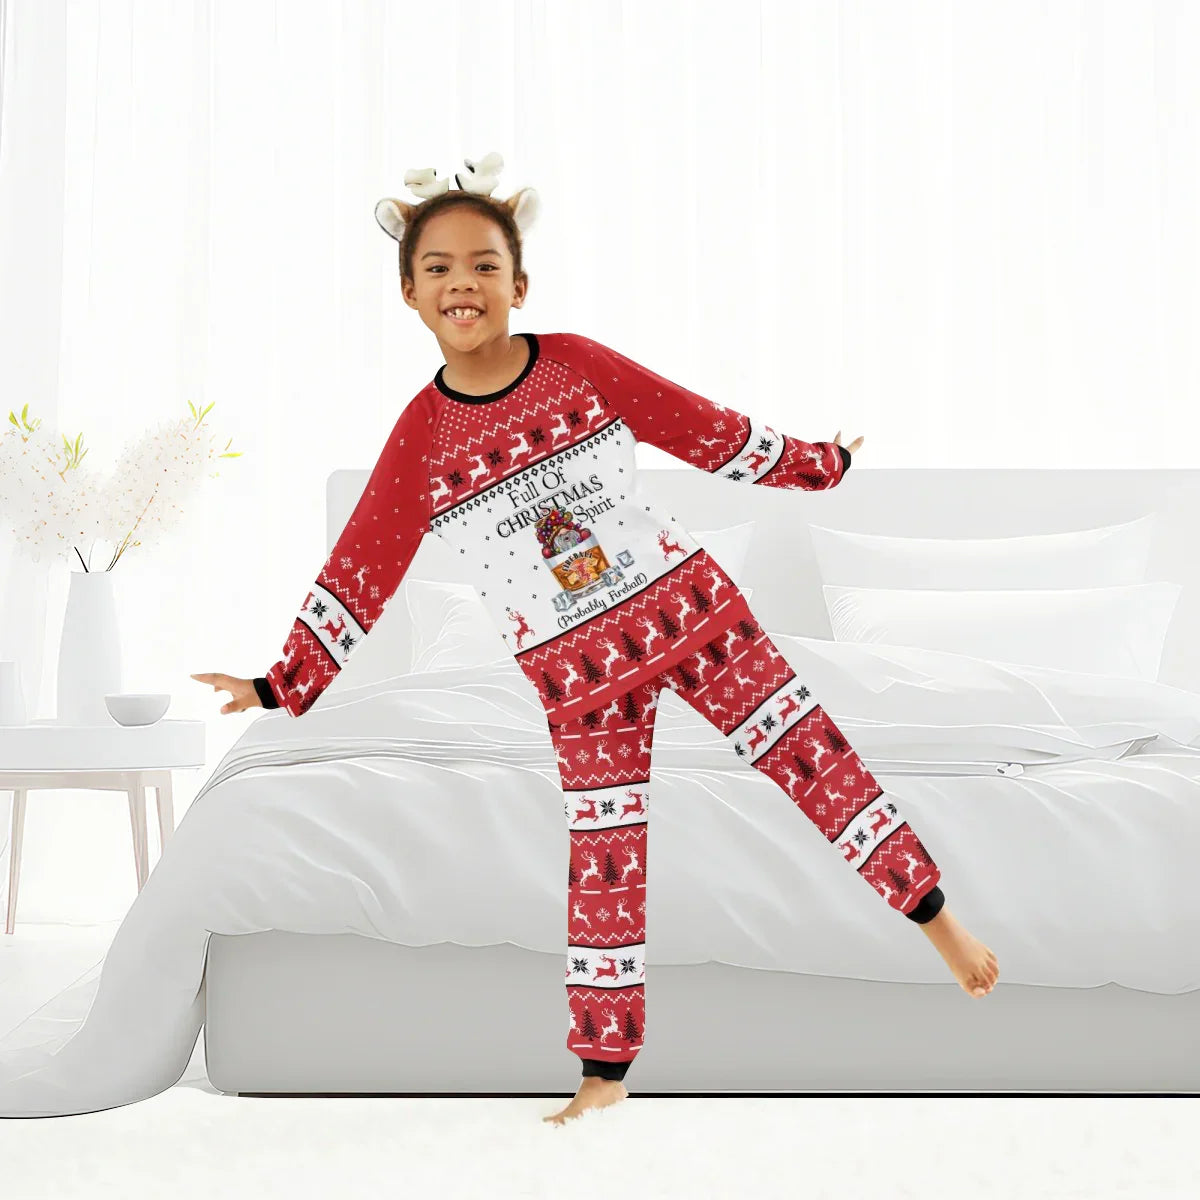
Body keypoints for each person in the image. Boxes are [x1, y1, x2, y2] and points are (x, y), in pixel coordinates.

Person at [192, 153, 998, 1126]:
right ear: (408, 292)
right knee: (604, 847)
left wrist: (817, 466)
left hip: (691, 613)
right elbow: (363, 564)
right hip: (577, 674)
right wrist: (282, 684)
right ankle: (604, 1069)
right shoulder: (422, 439)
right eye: (440, 267)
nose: (463, 283)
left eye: (485, 265)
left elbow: (697, 426)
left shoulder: (575, 363)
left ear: (519, 284)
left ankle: (937, 921)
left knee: (810, 756)